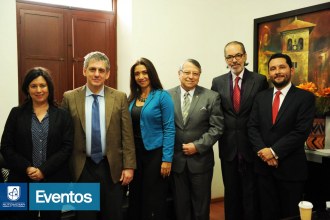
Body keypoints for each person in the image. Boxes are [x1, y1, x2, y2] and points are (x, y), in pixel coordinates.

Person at [61, 51, 136, 220]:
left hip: (112, 167)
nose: (96, 74)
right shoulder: (70, 97)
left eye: (101, 70)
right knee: (85, 216)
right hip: (82, 168)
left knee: (113, 214)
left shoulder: (119, 97)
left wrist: (129, 166)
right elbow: (64, 136)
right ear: (84, 71)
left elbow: (127, 135)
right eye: (92, 69)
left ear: (107, 74)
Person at [248, 53, 315, 220]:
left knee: (290, 214)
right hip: (263, 168)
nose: (277, 71)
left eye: (282, 67)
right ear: (269, 73)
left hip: (290, 169)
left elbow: (301, 132)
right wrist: (264, 152)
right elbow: (252, 127)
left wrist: (274, 151)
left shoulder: (305, 98)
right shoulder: (260, 97)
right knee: (266, 212)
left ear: (291, 70)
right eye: (273, 68)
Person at [1, 67, 73, 220]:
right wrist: (27, 168)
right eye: (33, 86)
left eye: (43, 85)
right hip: (21, 180)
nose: (38, 90)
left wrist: (43, 170)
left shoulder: (63, 115)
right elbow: (6, 147)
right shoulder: (16, 113)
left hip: (53, 180)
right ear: (27, 89)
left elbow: (66, 148)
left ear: (49, 88)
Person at [211, 41, 268, 220]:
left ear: (244, 56)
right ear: (225, 59)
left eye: (237, 55)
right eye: (229, 57)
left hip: (252, 146)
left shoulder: (259, 80)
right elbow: (216, 114)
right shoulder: (218, 82)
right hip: (228, 146)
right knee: (231, 191)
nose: (234, 60)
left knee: (251, 191)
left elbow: (263, 113)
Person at [168, 59, 224, 220]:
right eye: (187, 72)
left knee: (201, 206)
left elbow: (217, 128)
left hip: (200, 161)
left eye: (195, 73)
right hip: (176, 161)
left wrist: (197, 146)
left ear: (199, 76)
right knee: (180, 205)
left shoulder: (211, 97)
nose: (191, 76)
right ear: (179, 74)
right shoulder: (166, 95)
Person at [127, 58, 175, 220]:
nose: (141, 76)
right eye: (137, 73)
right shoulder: (132, 98)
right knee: (135, 195)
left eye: (145, 72)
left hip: (155, 154)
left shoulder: (162, 96)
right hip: (135, 154)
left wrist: (167, 159)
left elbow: (169, 128)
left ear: (151, 73)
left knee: (152, 198)